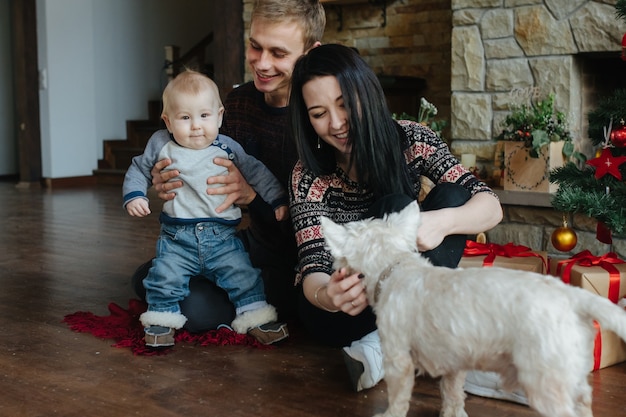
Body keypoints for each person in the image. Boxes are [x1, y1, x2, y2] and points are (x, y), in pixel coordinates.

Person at [287, 44, 504, 392]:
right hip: (342, 310)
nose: (337, 123)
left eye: (344, 104)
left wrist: (441, 223)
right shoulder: (308, 175)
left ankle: (383, 348)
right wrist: (330, 295)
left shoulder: (413, 139)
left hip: (400, 297)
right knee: (398, 206)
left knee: (452, 198)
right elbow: (313, 268)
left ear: (366, 92)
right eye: (318, 113)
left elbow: (490, 205)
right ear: (307, 119)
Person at [133, 0, 326, 332]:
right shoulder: (235, 105)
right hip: (238, 245)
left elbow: (323, 221)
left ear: (310, 52)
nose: (262, 63)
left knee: (195, 309)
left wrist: (253, 197)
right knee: (147, 276)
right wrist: (163, 179)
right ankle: (242, 297)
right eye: (255, 46)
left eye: (278, 53)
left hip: (302, 259)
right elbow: (184, 155)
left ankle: (259, 301)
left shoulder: (320, 116)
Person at [123, 70, 289, 347]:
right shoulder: (161, 144)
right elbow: (139, 167)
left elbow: (258, 172)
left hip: (222, 238)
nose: (196, 126)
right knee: (165, 277)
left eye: (204, 116)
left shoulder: (228, 147)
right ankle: (161, 323)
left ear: (219, 116)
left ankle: (257, 318)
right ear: (168, 121)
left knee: (243, 276)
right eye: (185, 118)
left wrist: (277, 200)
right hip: (177, 238)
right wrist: (135, 195)